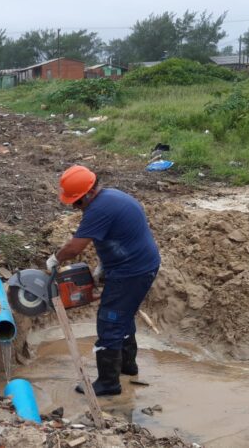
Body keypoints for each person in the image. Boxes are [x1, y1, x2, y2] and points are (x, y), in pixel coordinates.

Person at [47, 165, 161, 396]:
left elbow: (75, 247)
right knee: (123, 316)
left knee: (110, 321)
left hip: (131, 272)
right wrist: (105, 265)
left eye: (77, 202)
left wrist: (55, 259)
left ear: (89, 193)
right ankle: (127, 367)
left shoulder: (100, 209)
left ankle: (108, 383)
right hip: (137, 265)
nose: (75, 207)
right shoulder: (113, 197)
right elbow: (119, 236)